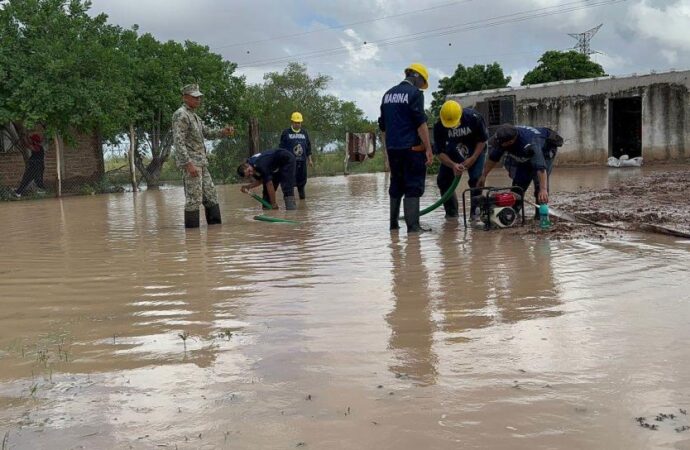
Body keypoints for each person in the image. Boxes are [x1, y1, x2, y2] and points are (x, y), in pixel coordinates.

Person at [378, 63, 433, 233]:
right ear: (417, 77)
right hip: (412, 149)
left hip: (393, 148)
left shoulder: (387, 95)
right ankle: (413, 227)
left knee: (396, 185)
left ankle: (393, 225)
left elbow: (383, 127)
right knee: (413, 185)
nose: (421, 87)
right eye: (422, 82)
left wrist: (387, 153)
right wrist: (428, 149)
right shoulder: (415, 94)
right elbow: (420, 123)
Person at [172, 83, 234, 229]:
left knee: (211, 196)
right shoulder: (181, 115)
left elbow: (207, 132)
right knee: (194, 199)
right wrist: (188, 164)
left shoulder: (195, 116)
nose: (198, 100)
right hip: (192, 164)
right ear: (185, 98)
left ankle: (215, 235)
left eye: (199, 97)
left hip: (202, 163)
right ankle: (193, 240)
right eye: (195, 97)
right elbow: (178, 142)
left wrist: (223, 132)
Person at [478, 124, 563, 214]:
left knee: (539, 183)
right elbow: (493, 158)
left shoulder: (531, 145)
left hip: (545, 148)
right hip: (525, 150)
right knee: (519, 181)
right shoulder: (503, 138)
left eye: (500, 143)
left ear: (510, 142)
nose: (497, 144)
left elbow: (540, 168)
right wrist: (483, 175)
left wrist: (543, 189)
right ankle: (513, 210)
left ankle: (541, 214)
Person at [433, 100, 488, 219]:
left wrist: (473, 158)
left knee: (476, 180)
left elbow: (482, 140)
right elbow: (439, 152)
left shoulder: (474, 118)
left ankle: (476, 214)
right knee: (443, 181)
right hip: (451, 154)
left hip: (475, 152)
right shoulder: (439, 126)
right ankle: (451, 215)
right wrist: (452, 165)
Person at [279, 112, 313, 200]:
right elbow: (281, 149)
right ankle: (290, 202)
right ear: (292, 122)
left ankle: (302, 202)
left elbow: (308, 147)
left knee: (301, 183)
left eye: (299, 122)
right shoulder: (286, 133)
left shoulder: (304, 133)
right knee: (290, 182)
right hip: (290, 163)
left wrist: (310, 160)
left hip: (302, 162)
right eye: (296, 122)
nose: (297, 124)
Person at [14, 133, 46, 197]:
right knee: (32, 179)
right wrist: (26, 137)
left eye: (32, 140)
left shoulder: (38, 147)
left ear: (34, 141)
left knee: (28, 179)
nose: (30, 140)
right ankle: (19, 191)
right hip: (35, 167)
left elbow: (28, 146)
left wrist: (24, 138)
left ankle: (18, 192)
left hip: (36, 167)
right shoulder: (37, 145)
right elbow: (28, 144)